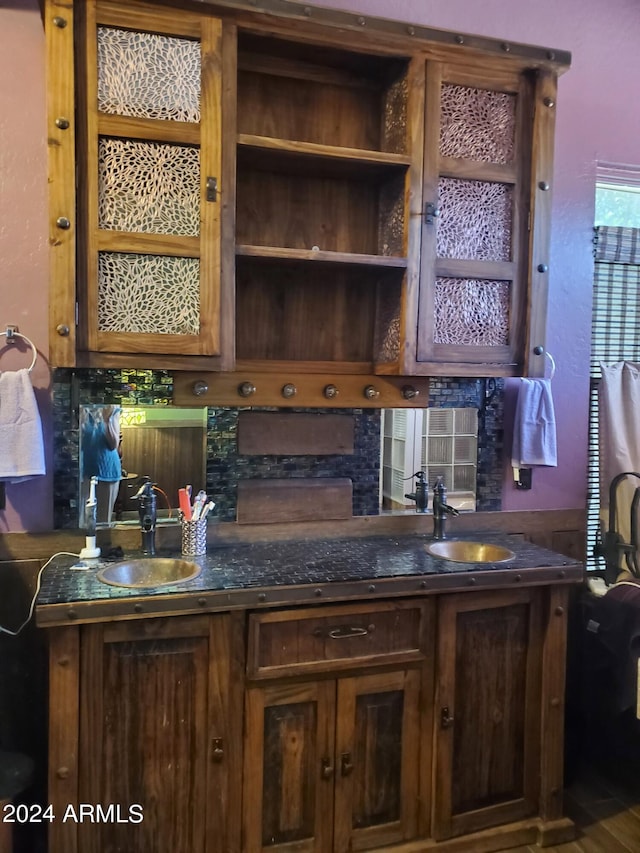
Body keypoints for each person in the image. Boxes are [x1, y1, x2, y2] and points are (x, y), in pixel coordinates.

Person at [80, 405, 122, 525]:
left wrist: (107, 421)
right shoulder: (79, 407)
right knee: (81, 524)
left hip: (107, 470)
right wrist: (81, 421)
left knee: (103, 523)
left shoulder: (111, 408)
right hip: (83, 471)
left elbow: (113, 444)